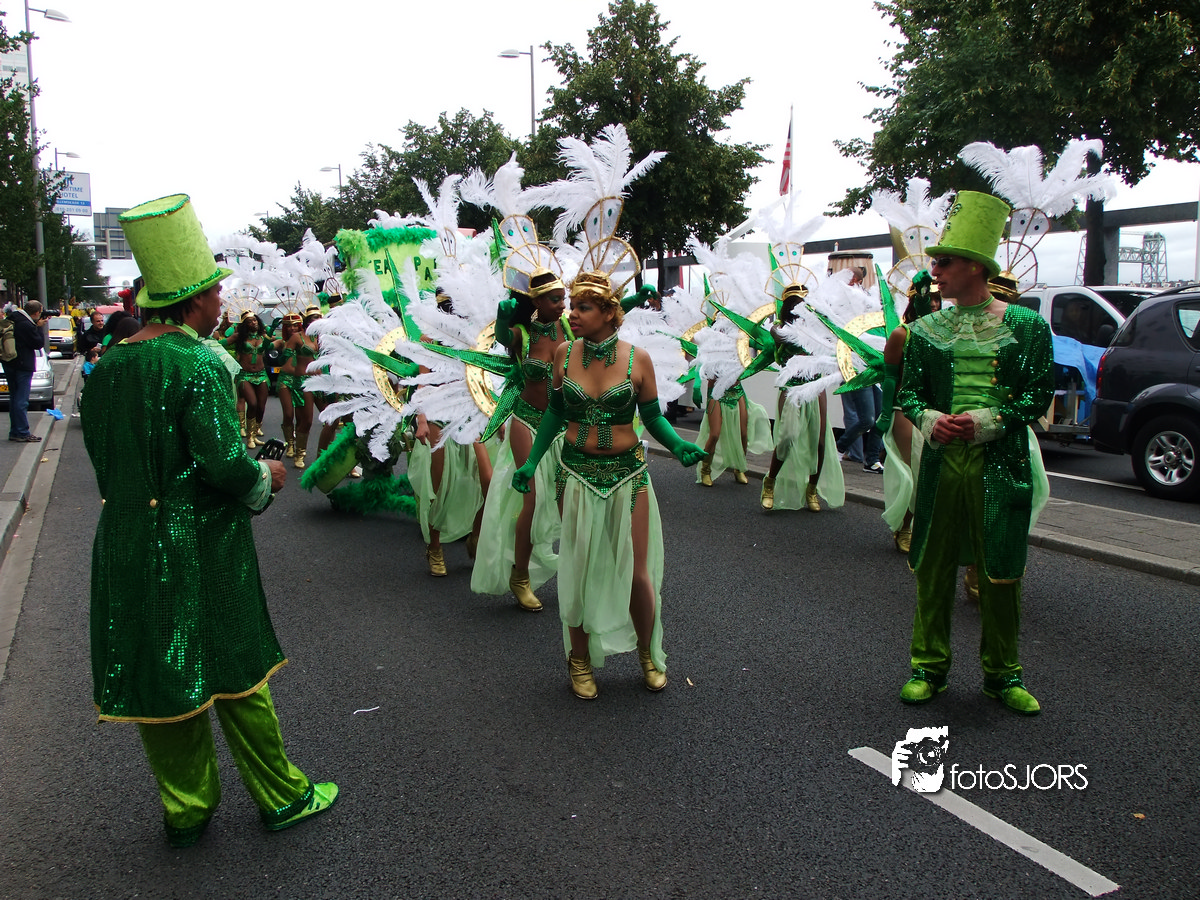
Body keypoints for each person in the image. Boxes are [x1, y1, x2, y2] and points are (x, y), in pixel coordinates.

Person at [80, 193, 337, 848]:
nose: (223, 301)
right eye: (216, 292)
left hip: (127, 542)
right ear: (193, 301)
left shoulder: (106, 369)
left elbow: (107, 459)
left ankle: (187, 807)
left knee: (163, 673)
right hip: (201, 542)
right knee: (236, 666)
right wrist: (266, 476)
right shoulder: (196, 363)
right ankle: (282, 795)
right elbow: (223, 464)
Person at [513, 270, 706, 700]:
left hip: (628, 476)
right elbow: (555, 413)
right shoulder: (563, 354)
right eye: (572, 306)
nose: (573, 314)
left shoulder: (638, 359)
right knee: (579, 569)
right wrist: (531, 462)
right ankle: (579, 660)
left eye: (583, 307)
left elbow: (652, 416)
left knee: (636, 573)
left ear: (608, 313)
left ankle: (648, 654)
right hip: (575, 475)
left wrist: (678, 445)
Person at [895, 191, 1053, 716]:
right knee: (933, 568)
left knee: (1001, 572)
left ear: (976, 267)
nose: (934, 271)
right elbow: (909, 394)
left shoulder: (1028, 327)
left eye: (944, 262)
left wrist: (988, 421)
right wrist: (930, 419)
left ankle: (1003, 675)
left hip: (1001, 465)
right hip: (942, 465)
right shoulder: (924, 330)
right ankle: (927, 668)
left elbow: (1038, 394)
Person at [471, 269, 570, 611]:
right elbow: (502, 336)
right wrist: (502, 318)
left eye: (563, 298)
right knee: (533, 500)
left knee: (569, 504)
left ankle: (577, 574)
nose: (562, 304)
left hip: (561, 427)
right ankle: (520, 576)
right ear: (536, 301)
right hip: (526, 422)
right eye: (555, 299)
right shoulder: (522, 335)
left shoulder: (569, 328)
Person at [760, 284, 845, 513]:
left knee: (819, 441)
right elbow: (790, 340)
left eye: (804, 303)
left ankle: (812, 489)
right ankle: (770, 481)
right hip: (792, 387)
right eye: (796, 303)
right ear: (788, 306)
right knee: (787, 437)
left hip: (815, 386)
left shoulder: (817, 328)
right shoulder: (778, 329)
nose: (801, 307)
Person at [3, 300, 45, 442]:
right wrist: (38, 328)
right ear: (36, 313)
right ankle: (22, 432)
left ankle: (15, 431)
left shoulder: (13, 319)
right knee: (21, 400)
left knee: (14, 397)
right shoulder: (27, 325)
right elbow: (38, 343)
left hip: (9, 363)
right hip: (23, 365)